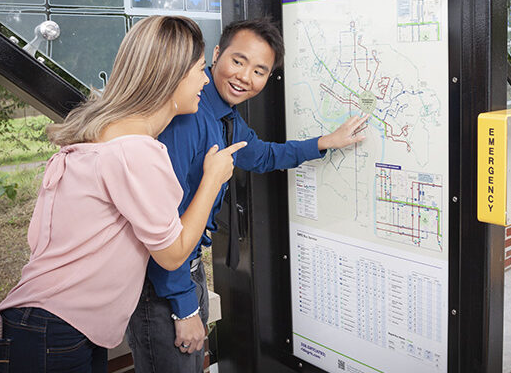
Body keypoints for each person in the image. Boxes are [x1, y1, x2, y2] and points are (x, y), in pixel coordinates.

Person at [0, 16, 246, 373]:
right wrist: (212, 179)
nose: (205, 80)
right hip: (54, 332)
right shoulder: (136, 151)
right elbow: (171, 254)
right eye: (201, 70)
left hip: (43, 327)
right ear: (170, 75)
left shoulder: (103, 133)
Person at [127, 18, 368, 373]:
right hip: (161, 284)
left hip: (185, 272)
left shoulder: (225, 118)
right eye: (238, 61)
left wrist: (325, 143)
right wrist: (184, 308)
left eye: (259, 70)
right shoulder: (187, 118)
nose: (244, 77)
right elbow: (164, 225)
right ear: (217, 54)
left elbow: (262, 154)